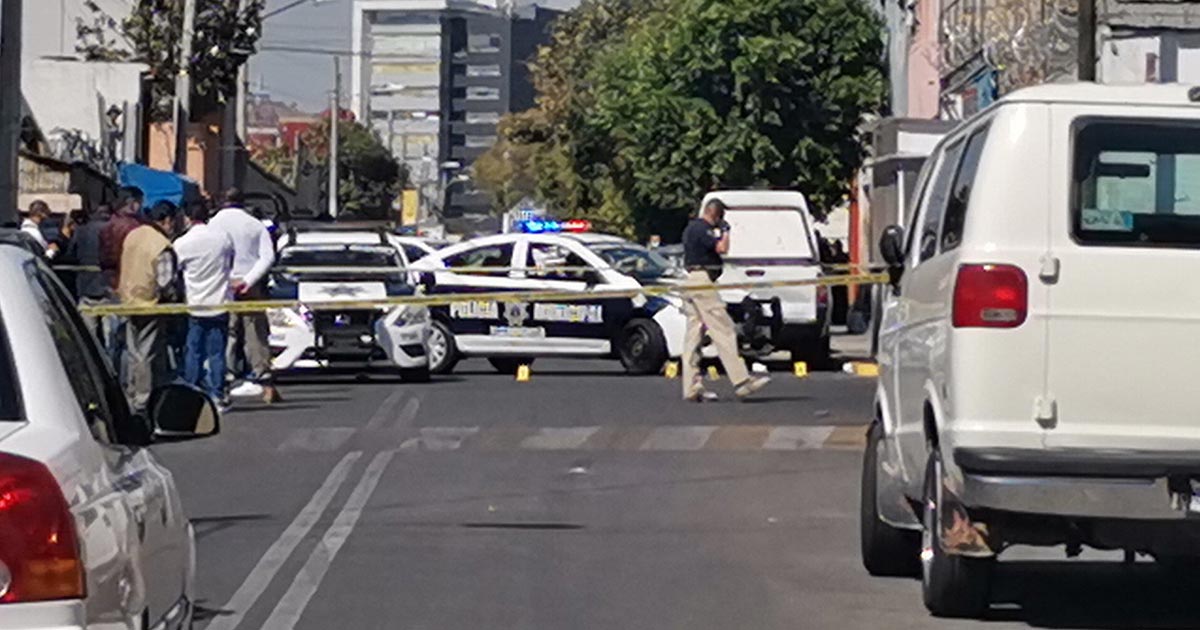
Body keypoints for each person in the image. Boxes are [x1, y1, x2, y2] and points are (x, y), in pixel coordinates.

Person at [680, 198, 770, 402]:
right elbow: (722, 248)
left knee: (693, 336)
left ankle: (691, 386)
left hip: (691, 281)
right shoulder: (703, 229)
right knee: (724, 329)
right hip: (702, 283)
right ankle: (741, 381)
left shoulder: (690, 228)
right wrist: (726, 231)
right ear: (716, 215)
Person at [209, 188, 281, 404]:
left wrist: (225, 279)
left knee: (226, 333)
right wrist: (248, 280)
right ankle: (265, 383)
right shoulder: (254, 224)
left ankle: (226, 381)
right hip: (250, 286)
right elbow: (268, 257)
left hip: (223, 285)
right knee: (256, 334)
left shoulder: (213, 224)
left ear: (223, 201)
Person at [118, 201, 182, 414]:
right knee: (146, 354)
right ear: (167, 220)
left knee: (132, 351)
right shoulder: (160, 244)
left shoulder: (133, 235)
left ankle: (131, 391)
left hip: (128, 301)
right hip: (150, 304)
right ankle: (142, 400)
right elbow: (165, 281)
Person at [174, 202, 235, 407]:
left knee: (194, 350)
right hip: (219, 302)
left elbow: (175, 270)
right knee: (217, 352)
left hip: (195, 303)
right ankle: (217, 393)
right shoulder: (222, 238)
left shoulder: (182, 243)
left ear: (188, 218)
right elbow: (230, 262)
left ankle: (194, 391)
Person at [100, 187, 145, 375]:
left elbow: (104, 258)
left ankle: (112, 375)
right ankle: (133, 386)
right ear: (132, 203)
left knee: (112, 337)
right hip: (133, 286)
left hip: (112, 284)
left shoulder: (109, 226)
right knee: (134, 343)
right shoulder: (137, 228)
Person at [64, 205, 114, 343]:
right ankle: (110, 363)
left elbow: (70, 255)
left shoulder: (81, 230)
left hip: (86, 287)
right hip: (109, 288)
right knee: (111, 336)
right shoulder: (113, 230)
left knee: (88, 337)